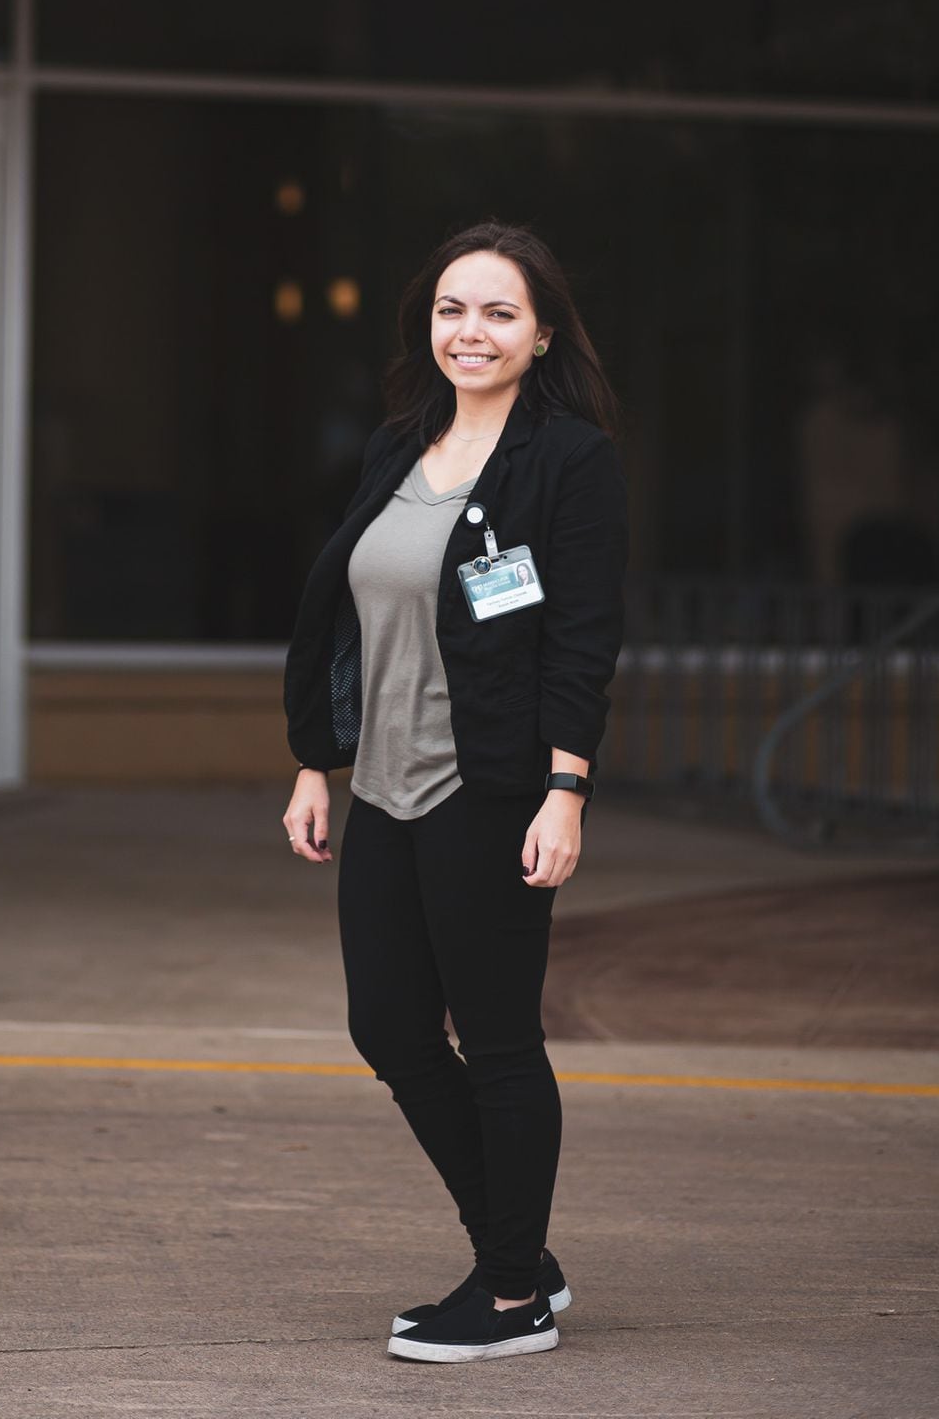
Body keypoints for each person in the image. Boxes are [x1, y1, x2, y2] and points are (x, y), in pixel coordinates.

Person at [281, 217, 628, 1366]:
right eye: (449, 308)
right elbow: (347, 611)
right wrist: (313, 761)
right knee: (382, 1020)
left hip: (488, 786)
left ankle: (512, 1293)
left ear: (538, 335)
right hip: (380, 785)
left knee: (496, 1033)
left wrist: (564, 789)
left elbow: (581, 638)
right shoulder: (400, 445)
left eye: (496, 312)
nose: (468, 330)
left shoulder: (567, 460)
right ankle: (517, 1253)